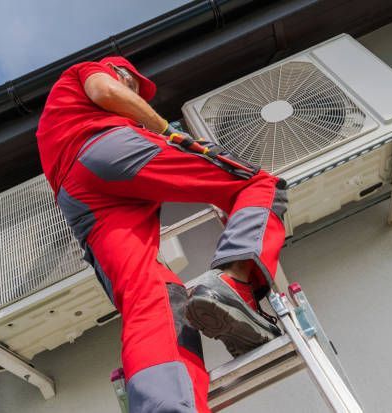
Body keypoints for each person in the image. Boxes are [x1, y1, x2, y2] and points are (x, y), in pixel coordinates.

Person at [36, 56, 287, 413]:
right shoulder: (90, 72)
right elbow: (104, 91)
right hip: (105, 148)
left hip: (77, 198)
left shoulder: (55, 121)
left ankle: (165, 406)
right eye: (135, 88)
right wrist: (165, 130)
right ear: (121, 74)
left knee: (151, 295)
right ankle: (236, 284)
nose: (137, 97)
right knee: (259, 184)